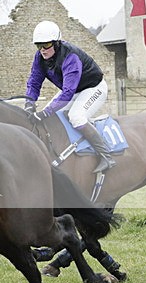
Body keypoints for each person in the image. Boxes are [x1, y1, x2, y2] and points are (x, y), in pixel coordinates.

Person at [25, 20, 116, 173]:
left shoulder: (70, 57)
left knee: (76, 116)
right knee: (48, 115)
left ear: (56, 43)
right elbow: (34, 82)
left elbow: (67, 93)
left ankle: (106, 155)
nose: (42, 50)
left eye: (46, 45)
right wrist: (29, 103)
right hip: (73, 90)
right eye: (38, 45)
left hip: (94, 88)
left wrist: (46, 112)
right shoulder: (39, 58)